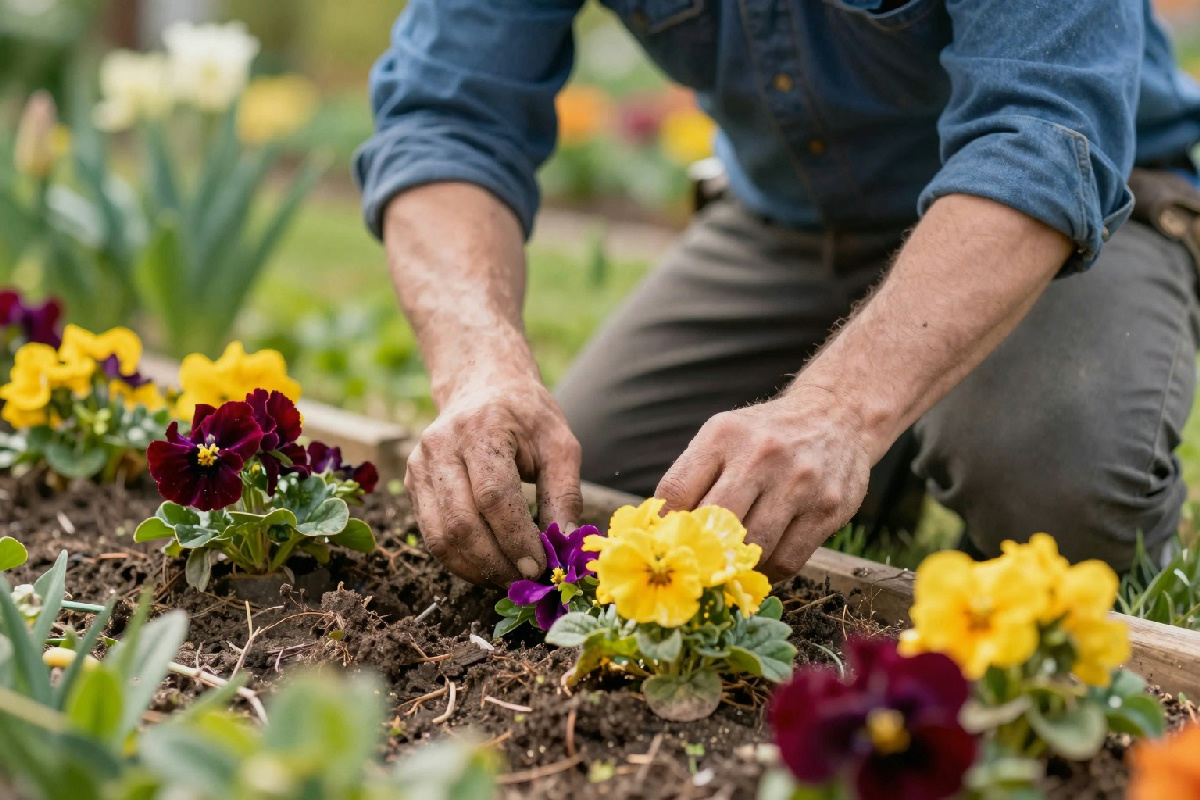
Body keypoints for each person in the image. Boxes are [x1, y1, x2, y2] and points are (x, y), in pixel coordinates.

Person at [356, 0, 1200, 587]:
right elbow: (446, 118)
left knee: (1053, 495)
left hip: (1068, 215)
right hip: (794, 224)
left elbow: (1042, 138)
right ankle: (894, 447)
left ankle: (898, 423)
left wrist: (841, 409)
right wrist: (478, 367)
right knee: (592, 488)